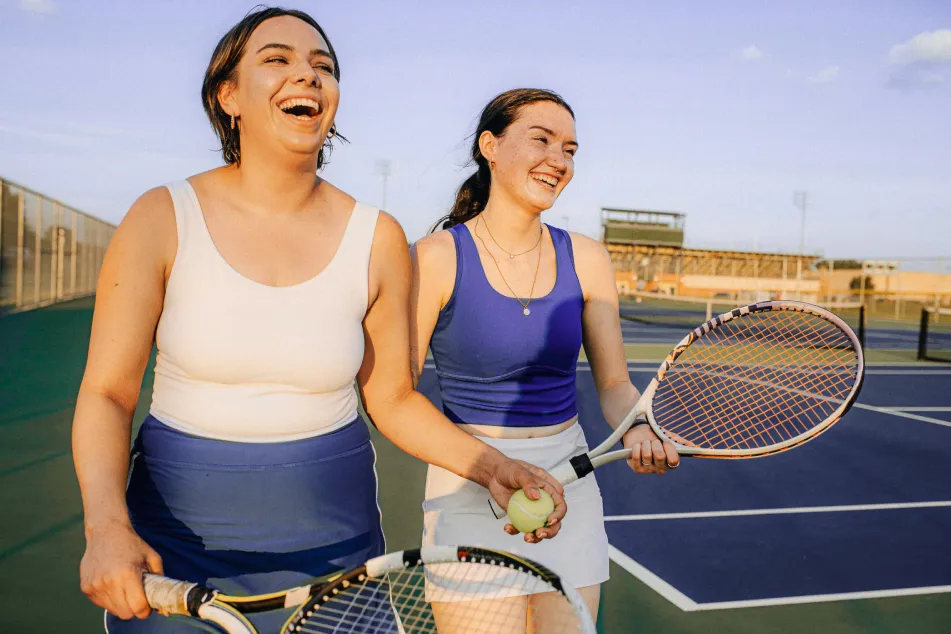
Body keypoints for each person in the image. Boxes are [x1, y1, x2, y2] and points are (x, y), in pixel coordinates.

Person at [72, 10, 565, 632]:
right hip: (174, 547)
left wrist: (495, 467)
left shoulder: (377, 237)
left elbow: (390, 398)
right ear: (229, 96)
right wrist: (106, 527)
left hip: (339, 551)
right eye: (276, 60)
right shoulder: (160, 217)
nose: (306, 75)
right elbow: (108, 394)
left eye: (323, 67)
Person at [410, 88, 681, 625]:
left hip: (570, 486)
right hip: (466, 485)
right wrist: (488, 466)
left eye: (571, 149)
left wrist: (638, 425)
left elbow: (615, 386)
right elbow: (396, 395)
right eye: (542, 140)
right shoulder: (436, 257)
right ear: (490, 145)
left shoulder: (587, 257)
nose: (559, 160)